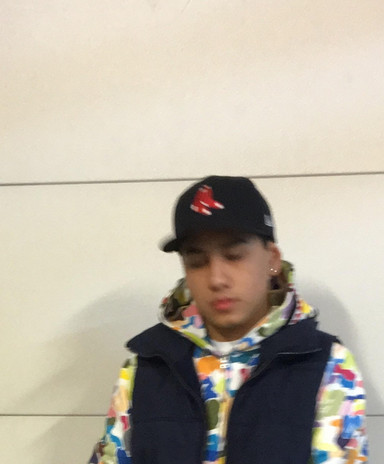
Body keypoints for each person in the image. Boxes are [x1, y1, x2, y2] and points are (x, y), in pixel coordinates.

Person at [88, 175, 368, 464]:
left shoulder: (329, 366)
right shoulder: (147, 364)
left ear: (272, 259)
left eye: (234, 255)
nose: (216, 279)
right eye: (197, 262)